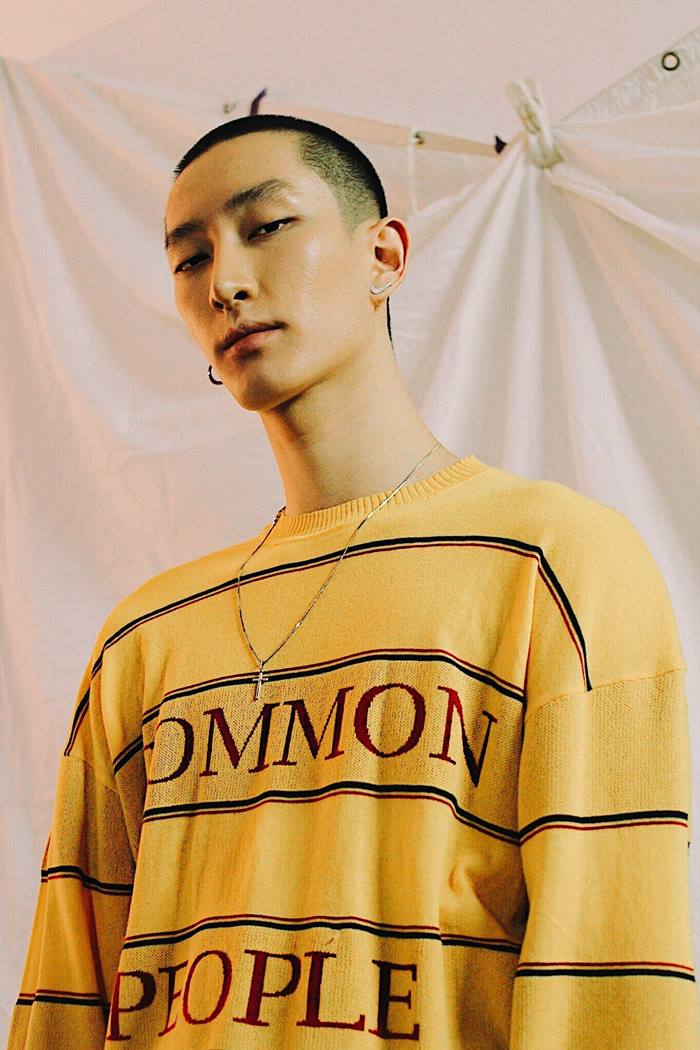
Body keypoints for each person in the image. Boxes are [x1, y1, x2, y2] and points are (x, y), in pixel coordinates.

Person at [8, 114, 698, 1049]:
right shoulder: (147, 637)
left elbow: (611, 971)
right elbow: (66, 987)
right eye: (189, 257)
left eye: (267, 226)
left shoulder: (551, 563)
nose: (225, 282)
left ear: (384, 255)